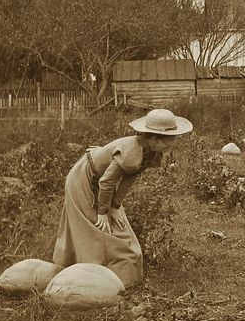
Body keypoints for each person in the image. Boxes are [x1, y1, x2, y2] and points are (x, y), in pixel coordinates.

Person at [52, 108, 194, 288]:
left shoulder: (150, 152)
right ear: (154, 138)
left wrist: (114, 206)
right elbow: (106, 182)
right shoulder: (131, 150)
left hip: (101, 184)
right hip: (83, 179)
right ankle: (84, 276)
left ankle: (114, 275)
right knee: (92, 227)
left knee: (117, 224)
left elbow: (128, 178)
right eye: (169, 140)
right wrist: (103, 212)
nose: (172, 144)